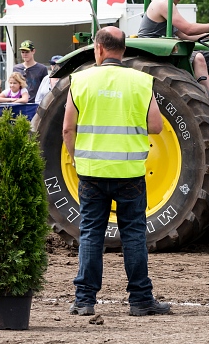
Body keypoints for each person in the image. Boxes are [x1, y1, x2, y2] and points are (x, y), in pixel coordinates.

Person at [62, 26, 169, 317]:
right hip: (130, 173)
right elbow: (157, 126)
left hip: (91, 172)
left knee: (91, 234)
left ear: (98, 49)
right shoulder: (141, 82)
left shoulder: (80, 80)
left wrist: (75, 159)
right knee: (133, 234)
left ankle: (84, 300)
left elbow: (67, 128)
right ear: (123, 50)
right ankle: (141, 301)